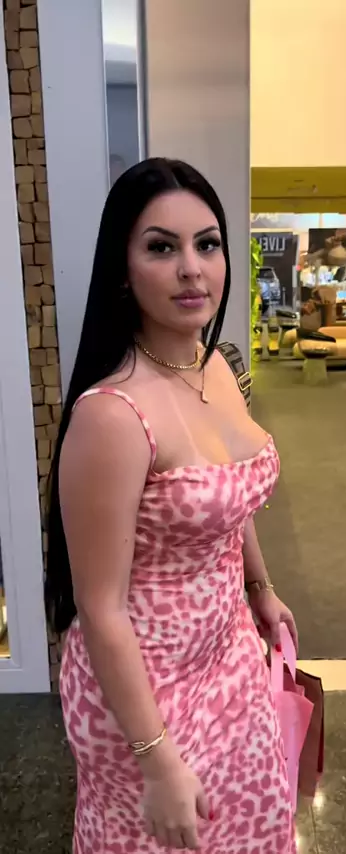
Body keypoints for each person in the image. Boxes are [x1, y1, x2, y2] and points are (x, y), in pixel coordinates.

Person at [45, 158, 298, 853]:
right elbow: (100, 607)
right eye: (162, 247)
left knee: (255, 827)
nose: (192, 269)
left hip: (229, 657)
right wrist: (156, 761)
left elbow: (227, 494)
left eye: (207, 244)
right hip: (144, 693)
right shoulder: (113, 414)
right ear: (123, 271)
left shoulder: (214, 366)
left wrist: (259, 588)